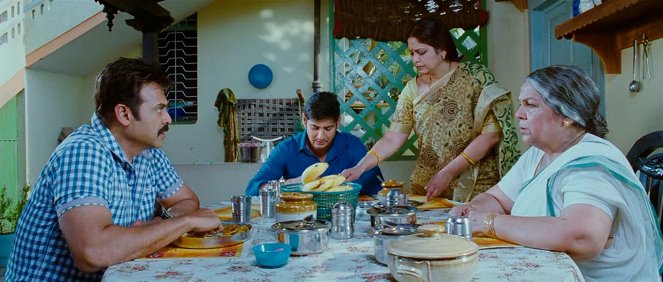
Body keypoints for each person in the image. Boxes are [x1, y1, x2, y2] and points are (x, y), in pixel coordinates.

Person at [6, 58, 221, 281]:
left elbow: (187, 201)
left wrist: (160, 223)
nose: (168, 119)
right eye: (159, 109)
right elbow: (93, 253)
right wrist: (185, 222)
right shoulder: (83, 153)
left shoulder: (148, 152)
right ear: (124, 114)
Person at [450, 65, 663, 281]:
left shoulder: (591, 164)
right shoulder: (538, 155)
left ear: (567, 115)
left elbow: (583, 237)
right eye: (521, 104)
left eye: (530, 105)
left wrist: (489, 223)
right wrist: (472, 210)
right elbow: (498, 198)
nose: (519, 114)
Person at [342, 17, 520, 202]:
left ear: (442, 50)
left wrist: (449, 171)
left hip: (474, 185)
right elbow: (393, 137)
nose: (415, 59)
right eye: (411, 53)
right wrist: (360, 168)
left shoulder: (476, 79)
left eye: (421, 52)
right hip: (428, 185)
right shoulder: (412, 88)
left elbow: (491, 135)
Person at [245, 91, 383, 196]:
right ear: (305, 120)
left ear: (338, 122)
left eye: (328, 128)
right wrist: (293, 183)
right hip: (301, 221)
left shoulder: (352, 145)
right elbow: (251, 190)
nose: (321, 136)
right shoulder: (286, 148)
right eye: (315, 128)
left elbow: (378, 190)